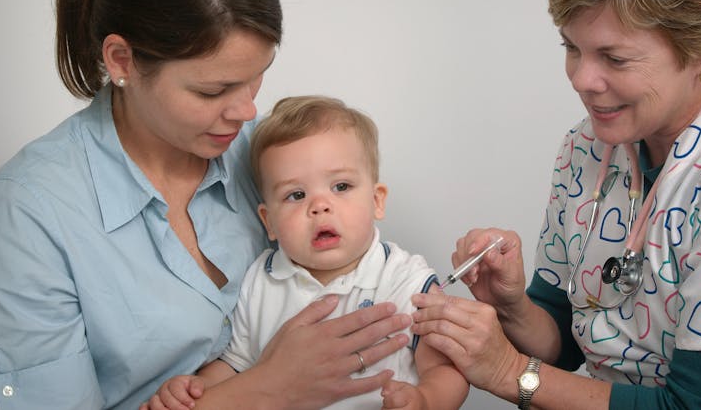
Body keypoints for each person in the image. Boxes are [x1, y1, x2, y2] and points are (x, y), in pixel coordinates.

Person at [0, 0, 412, 409]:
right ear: (122, 61)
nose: (247, 111)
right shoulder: (30, 212)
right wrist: (267, 388)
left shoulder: (270, 157)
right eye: (212, 90)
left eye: (257, 76)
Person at [410, 0, 701, 409]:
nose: (581, 79)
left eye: (614, 58)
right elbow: (568, 340)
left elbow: (700, 407)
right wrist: (512, 306)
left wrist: (509, 373)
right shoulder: (587, 147)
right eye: (571, 47)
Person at [142, 95, 470, 410]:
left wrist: (426, 401)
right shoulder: (260, 280)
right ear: (269, 222)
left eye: (340, 186)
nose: (319, 206)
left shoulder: (403, 278)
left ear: (377, 200)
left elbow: (445, 368)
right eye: (296, 195)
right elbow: (235, 366)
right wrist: (194, 391)